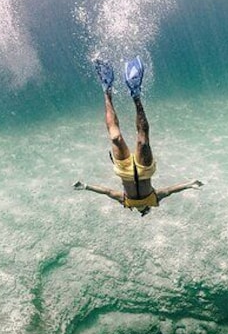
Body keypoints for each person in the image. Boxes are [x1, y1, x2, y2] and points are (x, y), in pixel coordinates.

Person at [73, 56, 203, 216]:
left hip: (124, 169)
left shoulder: (126, 202)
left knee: (115, 138)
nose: (144, 209)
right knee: (143, 142)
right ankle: (136, 94)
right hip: (145, 170)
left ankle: (107, 90)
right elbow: (170, 190)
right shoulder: (154, 201)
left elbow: (107, 192)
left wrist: (86, 186)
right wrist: (189, 184)